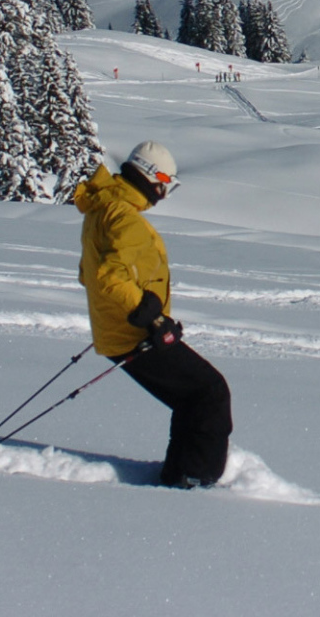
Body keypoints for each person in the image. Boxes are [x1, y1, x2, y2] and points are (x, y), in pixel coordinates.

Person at [75, 140, 232, 490]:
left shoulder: (105, 207)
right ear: (151, 176)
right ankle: (195, 478)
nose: (165, 191)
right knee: (210, 392)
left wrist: (147, 313)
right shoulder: (121, 216)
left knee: (192, 396)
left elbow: (91, 272)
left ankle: (181, 474)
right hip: (134, 335)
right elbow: (108, 277)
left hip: (124, 330)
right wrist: (151, 318)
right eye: (165, 182)